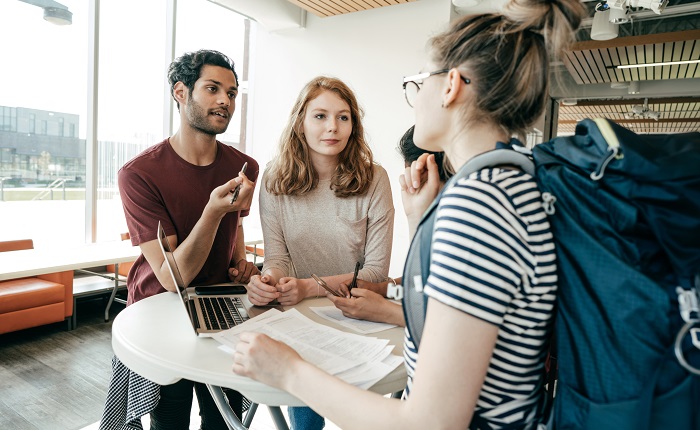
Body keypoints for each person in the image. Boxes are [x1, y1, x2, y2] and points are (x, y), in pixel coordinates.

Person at [231, 1, 584, 429]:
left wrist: (287, 370)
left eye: (417, 83)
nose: (414, 100)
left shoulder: (479, 207)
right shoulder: (509, 183)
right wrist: (422, 221)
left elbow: (432, 422)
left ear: (451, 85)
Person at [116, 49, 260, 430]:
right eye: (212, 89)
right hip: (160, 311)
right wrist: (212, 211)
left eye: (232, 93)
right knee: (170, 418)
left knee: (223, 419)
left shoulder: (244, 166)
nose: (225, 101)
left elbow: (238, 224)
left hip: (220, 309)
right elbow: (171, 277)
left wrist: (240, 263)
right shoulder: (139, 174)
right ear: (180, 92)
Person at [245, 76, 395, 429]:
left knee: (359, 416)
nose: (333, 127)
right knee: (306, 418)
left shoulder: (375, 179)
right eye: (321, 116)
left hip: (357, 316)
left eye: (344, 117)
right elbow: (278, 257)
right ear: (300, 122)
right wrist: (268, 281)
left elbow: (375, 273)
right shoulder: (274, 179)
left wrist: (308, 287)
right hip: (298, 319)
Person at [328, 125, 451, 327]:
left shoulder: (467, 225)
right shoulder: (439, 221)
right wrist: (382, 290)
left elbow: (454, 321)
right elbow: (418, 289)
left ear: (427, 173)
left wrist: (385, 311)